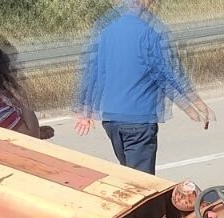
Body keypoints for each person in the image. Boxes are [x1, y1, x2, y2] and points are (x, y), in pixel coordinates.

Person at [75, 0, 213, 174]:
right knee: (141, 181)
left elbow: (92, 71)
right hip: (138, 120)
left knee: (129, 174)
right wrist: (197, 104)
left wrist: (85, 108)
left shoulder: (108, 30)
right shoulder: (150, 31)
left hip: (112, 120)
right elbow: (167, 73)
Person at [0, 40, 54, 139]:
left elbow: (8, 131)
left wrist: (37, 130)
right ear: (0, 73)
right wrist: (23, 98)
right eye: (10, 67)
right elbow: (32, 137)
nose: (16, 71)